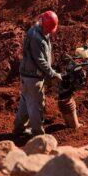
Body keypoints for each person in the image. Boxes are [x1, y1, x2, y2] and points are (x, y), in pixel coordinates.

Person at [13, 10, 61, 138]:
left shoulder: (41, 31)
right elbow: (40, 60)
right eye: (50, 29)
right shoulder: (36, 37)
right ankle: (38, 134)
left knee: (26, 101)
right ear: (46, 26)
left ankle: (19, 128)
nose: (51, 32)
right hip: (32, 77)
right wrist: (52, 73)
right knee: (36, 105)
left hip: (28, 75)